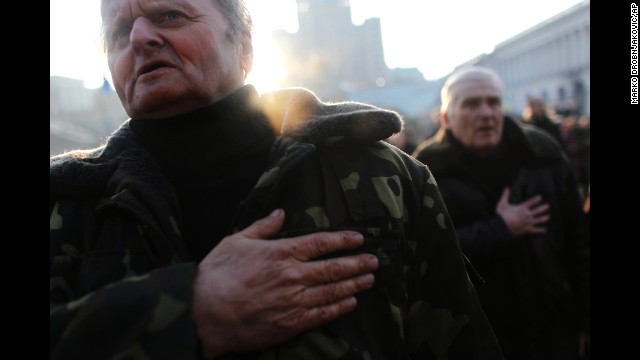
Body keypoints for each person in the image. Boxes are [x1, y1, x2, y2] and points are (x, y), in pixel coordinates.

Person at [50, 1, 504, 359]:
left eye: (170, 15)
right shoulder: (65, 205)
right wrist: (187, 311)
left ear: (245, 46)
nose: (141, 37)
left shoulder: (385, 176)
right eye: (118, 32)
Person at [412, 66, 589, 360]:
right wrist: (500, 229)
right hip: (479, 341)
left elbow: (581, 245)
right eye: (471, 104)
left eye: (493, 102)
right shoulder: (426, 175)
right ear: (446, 118)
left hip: (554, 332)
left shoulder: (542, 156)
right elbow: (427, 260)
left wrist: (585, 320)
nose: (486, 113)